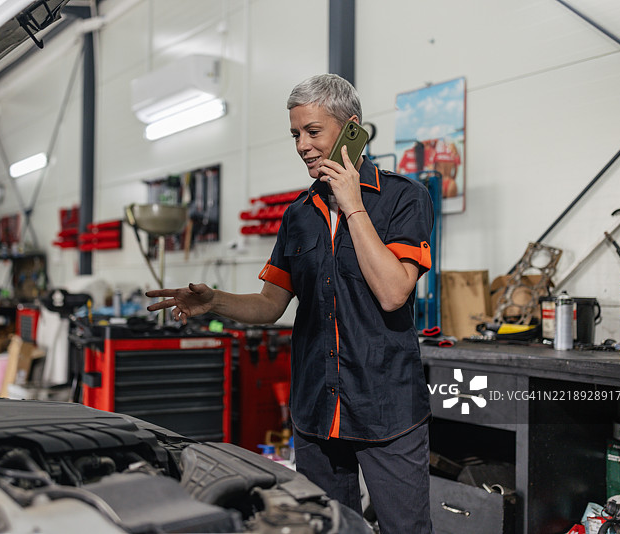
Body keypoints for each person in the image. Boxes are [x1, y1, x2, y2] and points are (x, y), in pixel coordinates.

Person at [146, 74, 434, 532]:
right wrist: (212, 301)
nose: (302, 145)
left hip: (386, 411)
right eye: (296, 134)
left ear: (351, 129)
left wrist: (352, 204)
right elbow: (269, 305)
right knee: (325, 527)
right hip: (316, 412)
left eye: (313, 132)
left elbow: (393, 290)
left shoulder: (404, 198)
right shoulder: (298, 215)